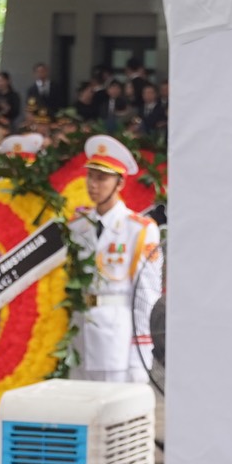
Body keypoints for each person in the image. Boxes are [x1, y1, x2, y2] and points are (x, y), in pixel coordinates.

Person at [68, 134, 162, 386]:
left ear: (119, 183)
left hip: (116, 341)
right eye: (90, 176)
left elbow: (146, 296)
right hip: (79, 338)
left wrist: (140, 354)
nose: (93, 184)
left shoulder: (139, 229)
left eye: (102, 178)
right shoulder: (77, 227)